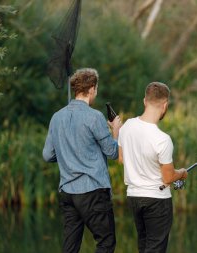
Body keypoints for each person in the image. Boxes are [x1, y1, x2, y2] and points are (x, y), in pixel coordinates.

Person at [42, 68, 122, 253]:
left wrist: (66, 156)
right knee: (106, 242)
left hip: (68, 192)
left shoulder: (56, 117)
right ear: (92, 89)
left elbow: (47, 155)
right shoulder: (94, 117)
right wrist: (116, 130)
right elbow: (112, 152)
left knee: (70, 247)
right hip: (93, 190)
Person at [118, 82, 188, 253]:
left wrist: (115, 132)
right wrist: (182, 173)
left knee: (143, 246)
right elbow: (168, 178)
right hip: (157, 200)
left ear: (144, 101)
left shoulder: (127, 126)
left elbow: (121, 159)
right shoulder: (162, 139)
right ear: (165, 105)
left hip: (134, 197)